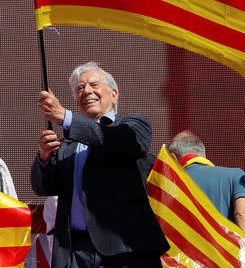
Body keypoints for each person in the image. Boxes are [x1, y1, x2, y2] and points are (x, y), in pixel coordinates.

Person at [31, 62, 169, 268]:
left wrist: (66, 118)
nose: (86, 91)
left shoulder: (133, 126)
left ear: (114, 95)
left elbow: (113, 140)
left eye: (94, 85)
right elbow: (44, 187)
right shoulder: (67, 145)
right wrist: (44, 157)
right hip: (74, 254)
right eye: (80, 88)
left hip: (124, 252)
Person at [167, 130, 245, 233]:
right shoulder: (236, 175)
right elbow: (241, 214)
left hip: (188, 247)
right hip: (226, 247)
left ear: (173, 157)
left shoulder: (170, 183)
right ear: (202, 153)